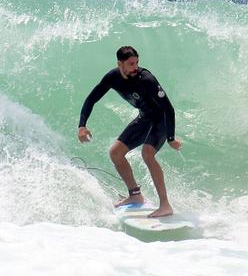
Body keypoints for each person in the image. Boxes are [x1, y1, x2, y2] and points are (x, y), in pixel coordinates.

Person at [78, 46, 182, 218]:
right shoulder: (113, 77)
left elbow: (169, 109)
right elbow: (91, 99)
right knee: (116, 153)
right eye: (131, 64)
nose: (135, 67)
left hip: (160, 119)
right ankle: (135, 196)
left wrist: (171, 138)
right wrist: (82, 125)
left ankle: (165, 205)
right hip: (145, 117)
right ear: (120, 64)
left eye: (137, 63)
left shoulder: (147, 79)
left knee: (148, 154)